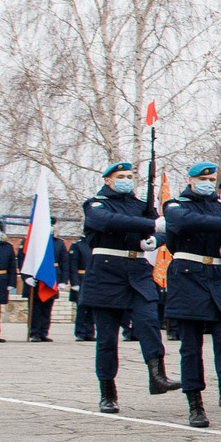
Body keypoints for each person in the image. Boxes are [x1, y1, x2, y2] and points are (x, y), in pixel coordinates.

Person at [157, 161, 221, 426]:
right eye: (203, 179)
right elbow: (183, 223)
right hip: (188, 276)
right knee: (191, 346)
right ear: (191, 180)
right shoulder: (177, 205)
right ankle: (195, 403)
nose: (208, 183)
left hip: (219, 277)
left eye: (212, 179)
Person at [82, 161, 176, 408]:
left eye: (129, 176)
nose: (126, 179)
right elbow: (108, 222)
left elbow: (164, 229)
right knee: (107, 338)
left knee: (148, 322)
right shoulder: (96, 204)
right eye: (120, 176)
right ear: (108, 180)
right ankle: (107, 392)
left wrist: (154, 240)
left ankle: (157, 375)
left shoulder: (139, 205)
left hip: (137, 270)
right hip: (106, 272)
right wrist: (149, 226)